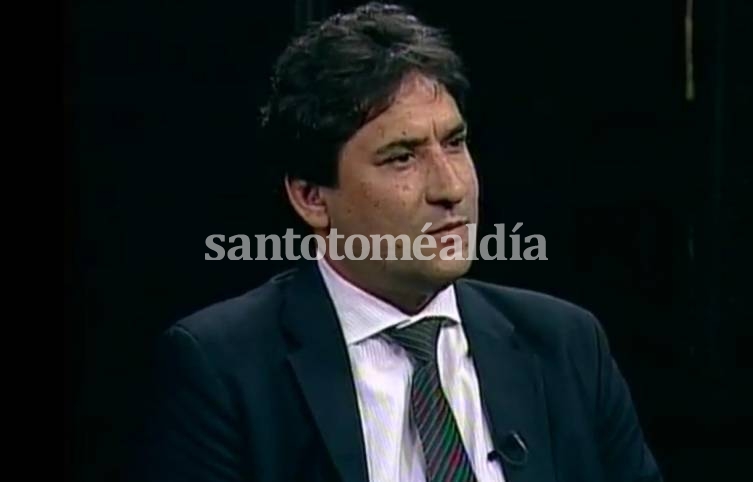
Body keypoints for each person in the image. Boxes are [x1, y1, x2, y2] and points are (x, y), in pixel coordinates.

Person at [129, 2, 663, 481]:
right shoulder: (222, 368)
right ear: (312, 197)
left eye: (454, 142)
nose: (451, 188)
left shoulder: (566, 346)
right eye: (402, 157)